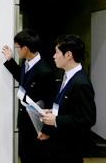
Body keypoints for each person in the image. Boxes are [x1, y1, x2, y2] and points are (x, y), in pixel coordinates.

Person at [2, 29, 56, 162]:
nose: (17, 51)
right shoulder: (26, 64)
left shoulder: (45, 71)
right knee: (25, 157)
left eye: (17, 48)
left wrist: (47, 131)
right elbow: (22, 79)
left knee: (35, 158)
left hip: (38, 126)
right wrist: (9, 60)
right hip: (25, 122)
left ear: (25, 48)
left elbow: (50, 103)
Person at [41, 34, 96, 162]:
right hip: (59, 144)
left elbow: (87, 119)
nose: (54, 56)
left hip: (70, 148)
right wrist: (52, 113)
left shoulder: (81, 83)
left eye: (57, 52)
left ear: (68, 55)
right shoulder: (66, 76)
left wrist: (56, 119)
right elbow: (67, 106)